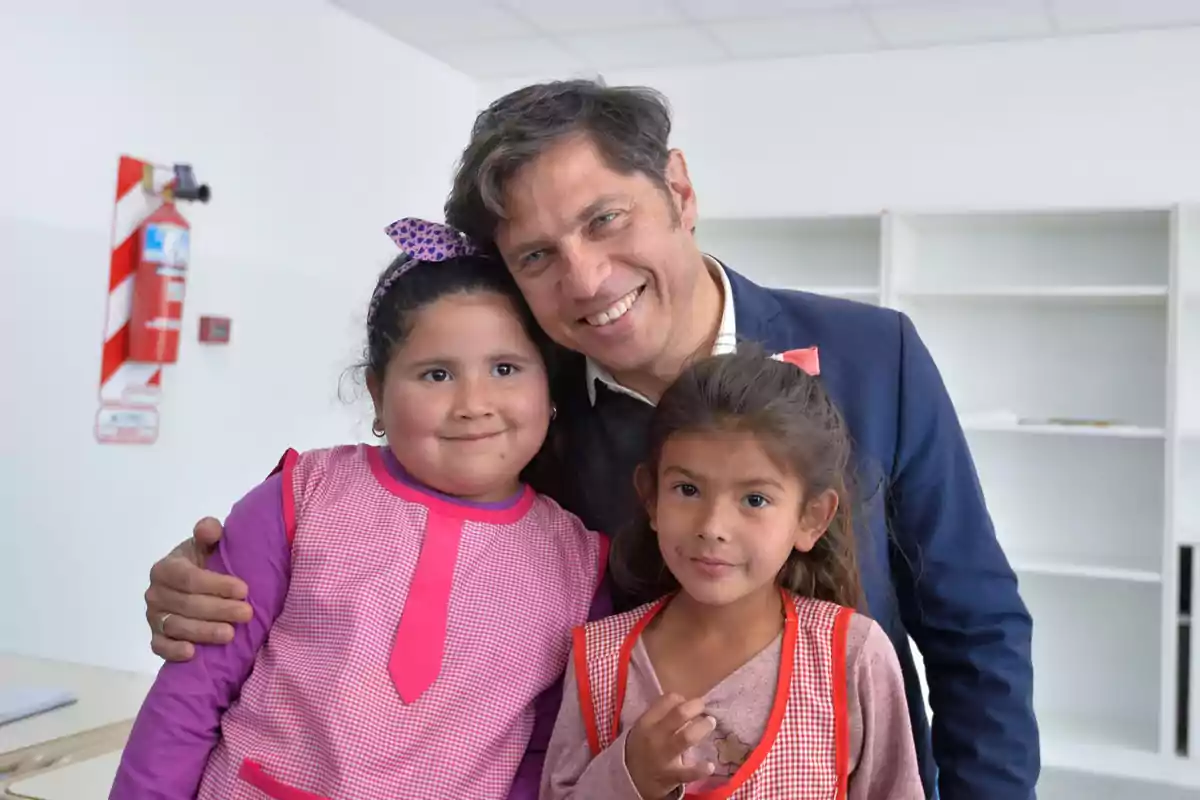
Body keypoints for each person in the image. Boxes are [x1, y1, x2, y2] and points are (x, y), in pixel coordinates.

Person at [141, 80, 1039, 798]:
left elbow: (976, 629)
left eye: (606, 219)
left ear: (679, 191)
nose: (587, 277)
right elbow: (392, 542)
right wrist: (227, 582)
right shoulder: (525, 411)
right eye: (536, 256)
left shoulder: (870, 354)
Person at [111, 219, 608, 799]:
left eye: (505, 369)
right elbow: (191, 695)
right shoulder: (302, 498)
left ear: (549, 392)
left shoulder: (580, 565)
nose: (474, 404)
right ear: (377, 393)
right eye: (436, 374)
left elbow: (547, 752)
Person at [541, 350, 924, 800]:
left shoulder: (852, 656)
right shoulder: (599, 660)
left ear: (811, 518)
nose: (712, 527)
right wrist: (628, 776)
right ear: (651, 498)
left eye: (755, 500)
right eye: (687, 490)